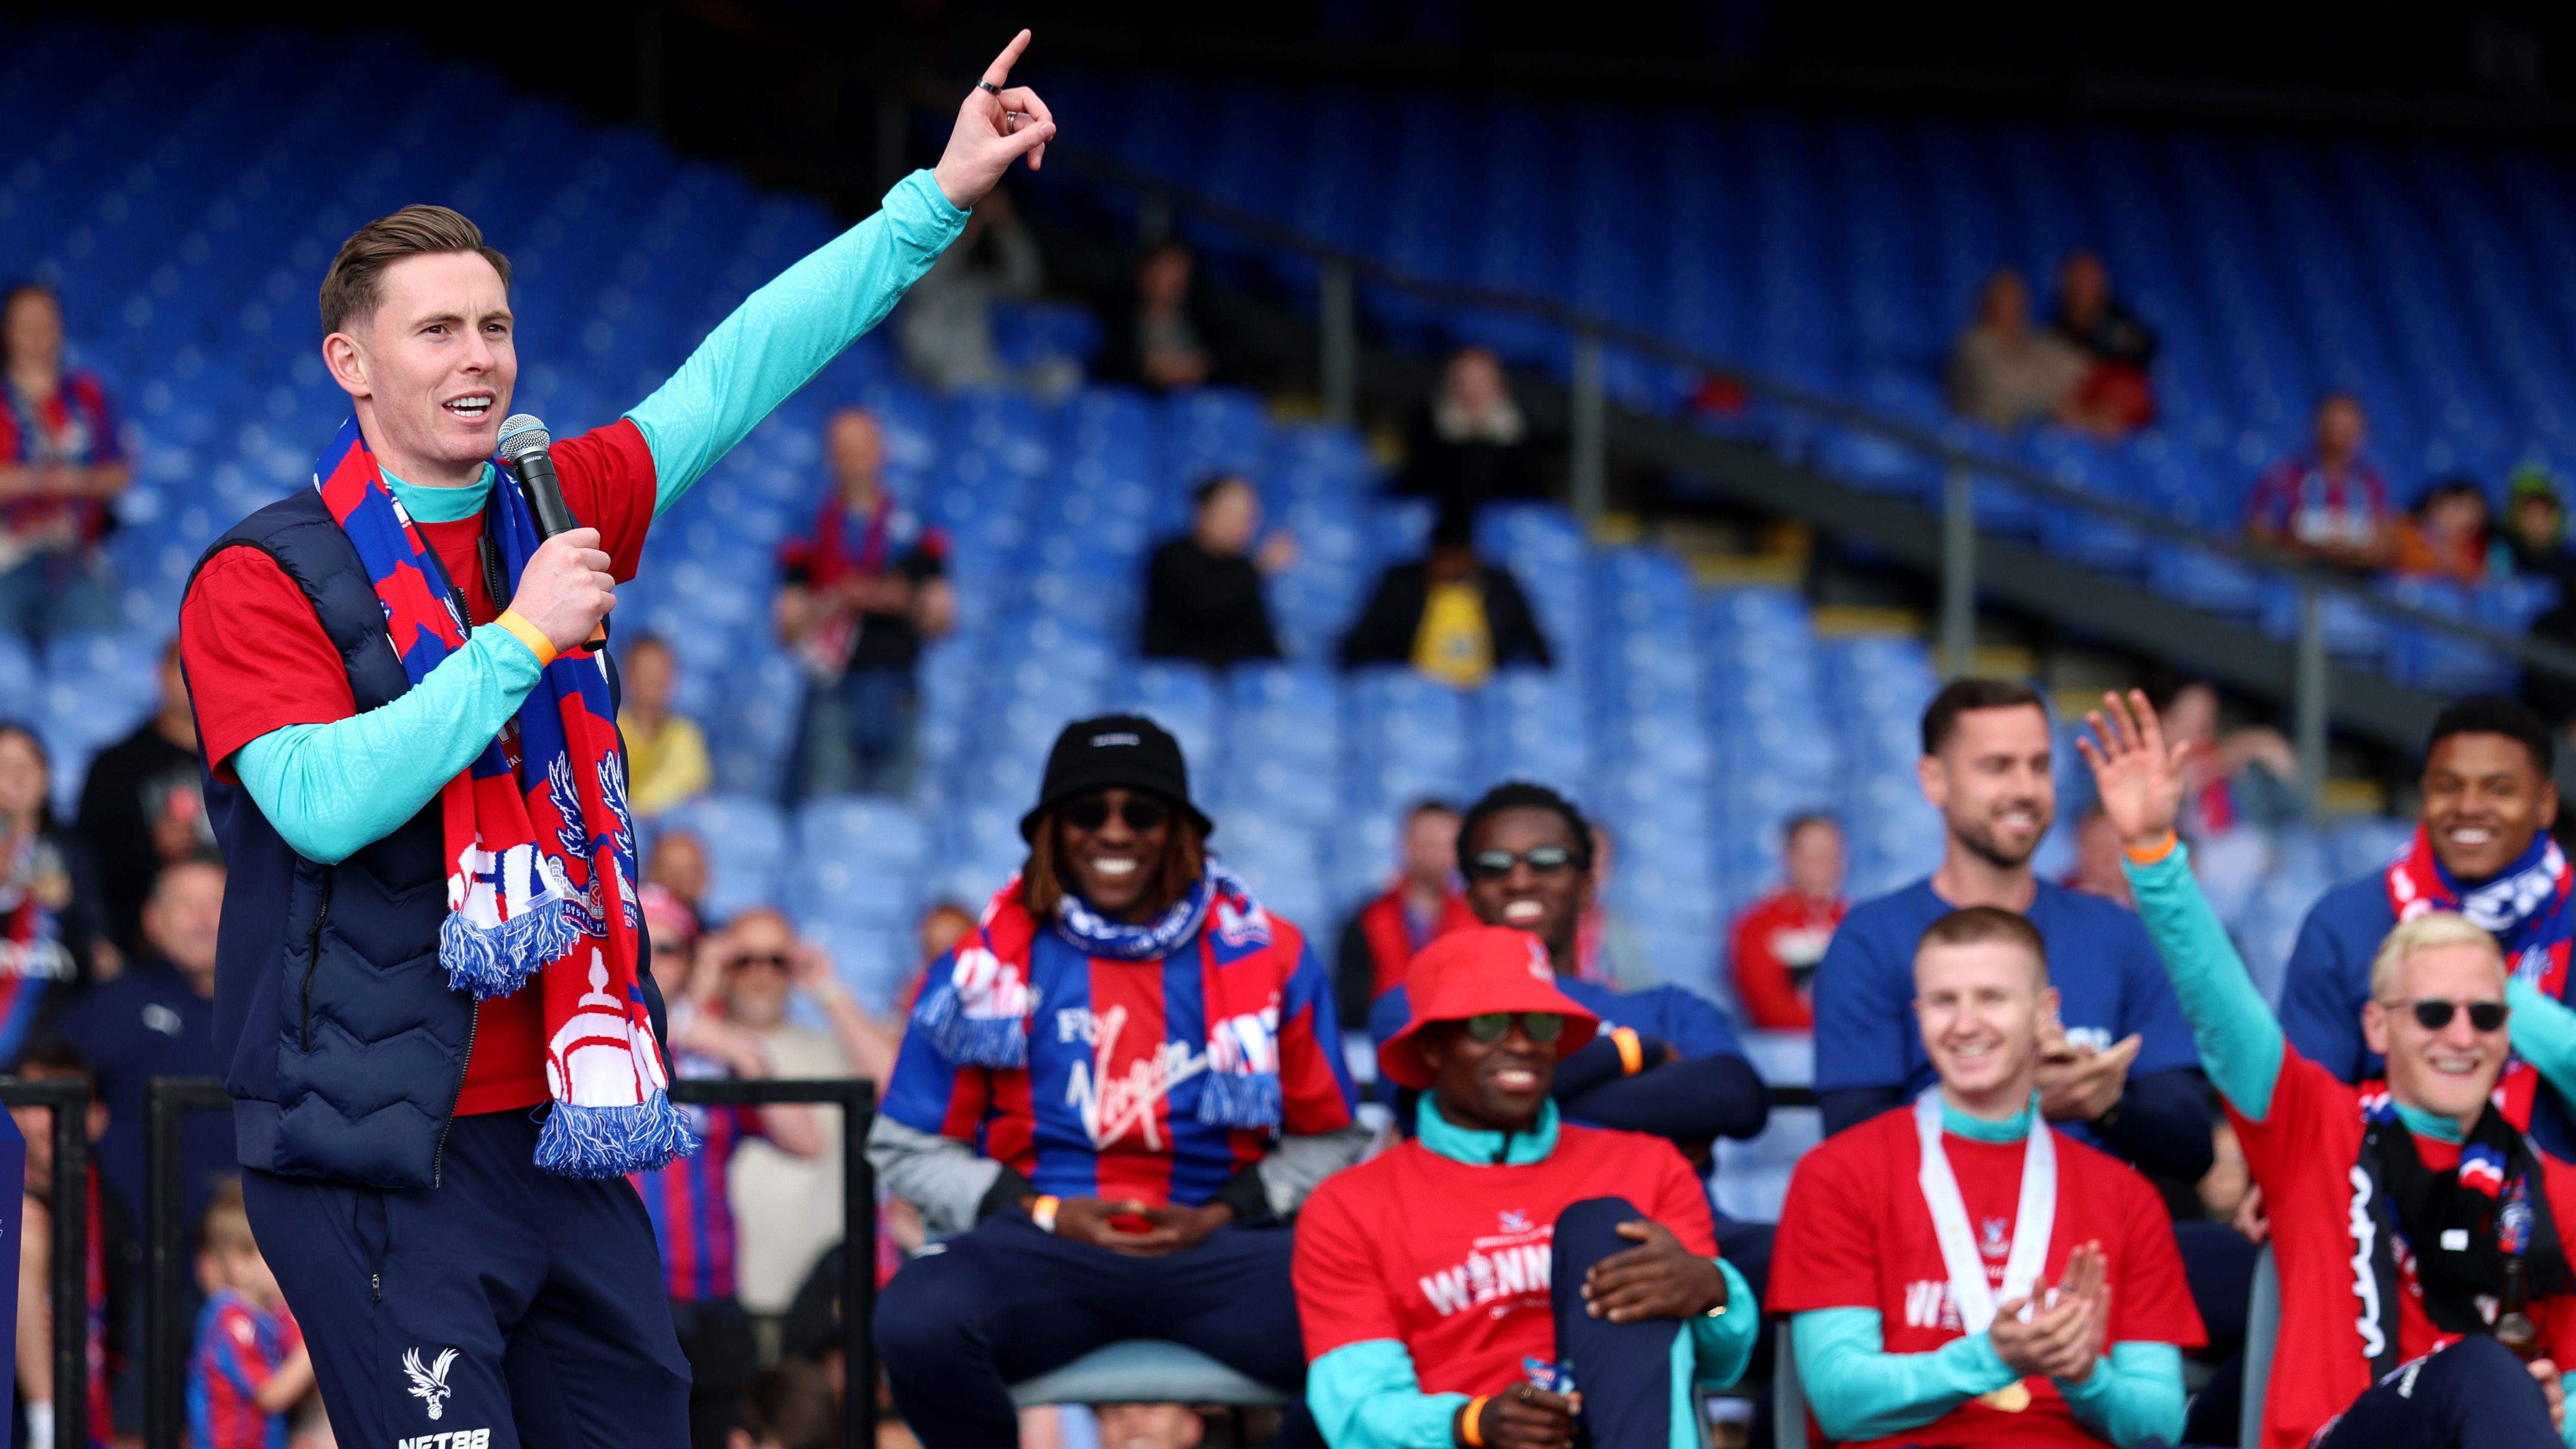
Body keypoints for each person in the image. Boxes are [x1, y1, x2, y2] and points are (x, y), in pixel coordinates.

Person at [171, 40, 1052, 1449]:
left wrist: (934, 200)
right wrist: (516, 640)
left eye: (494, 328)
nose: (477, 358)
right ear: (350, 361)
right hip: (373, 1151)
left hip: (569, 1134)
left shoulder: (552, 499)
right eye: (436, 331)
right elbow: (322, 804)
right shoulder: (261, 577)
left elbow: (737, 370)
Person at [2083, 688, 2576, 1448]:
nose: (2461, 1035)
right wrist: (2156, 855)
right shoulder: (2316, 1127)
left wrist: (2553, 1405)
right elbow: (2225, 1011)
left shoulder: (2550, 1191)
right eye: (2433, 1012)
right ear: (2376, 1024)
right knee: (2478, 1367)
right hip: (2340, 1436)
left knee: (2494, 1378)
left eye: (2485, 1015)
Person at [869, 714, 1365, 1447]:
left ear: (1181, 830)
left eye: (1142, 812)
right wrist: (1042, 1211)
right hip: (1043, 1244)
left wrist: (1224, 1212)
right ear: (1051, 831)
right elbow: (906, 1146)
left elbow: (1332, 1138)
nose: (1114, 832)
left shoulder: (1275, 957)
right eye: (1086, 811)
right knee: (914, 1321)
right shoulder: (984, 965)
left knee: (1382, 1326)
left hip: (1221, 1246)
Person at [1297, 927, 1758, 1449]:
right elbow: (1358, 1410)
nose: (1521, 1044)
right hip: (1467, 1441)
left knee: (1604, 1225)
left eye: (1540, 1024)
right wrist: (1473, 1423)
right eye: (1489, 1023)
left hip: (1626, 1432)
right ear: (1432, 1047)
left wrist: (1715, 1294)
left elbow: (1719, 1364)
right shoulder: (1349, 1205)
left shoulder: (1649, 1163)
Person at [1771, 908, 2204, 1446]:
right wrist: (1993, 1356)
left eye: (1993, 997)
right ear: (1918, 1012)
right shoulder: (1837, 1172)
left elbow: (2161, 1424)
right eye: (1944, 1000)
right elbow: (1839, 1401)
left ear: (2045, 1012)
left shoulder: (2126, 1194)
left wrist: (2086, 1375)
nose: (1966, 1023)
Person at [1812, 679, 2211, 1186]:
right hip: (1931, 1253)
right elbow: (1849, 1147)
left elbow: (2192, 1147)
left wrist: (2108, 1106)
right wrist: (2015, 1099)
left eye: (2039, 766)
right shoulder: (1871, 940)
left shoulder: (2119, 934)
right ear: (1934, 780)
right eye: (1997, 767)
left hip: (2095, 1250)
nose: (2024, 789)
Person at [1369, 783, 1771, 1156]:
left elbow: (1738, 1101)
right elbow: (1431, 1103)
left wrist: (1510, 1100)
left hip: (1676, 1225)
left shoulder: (1670, 1007)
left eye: (1547, 861)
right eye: (1493, 866)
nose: (1520, 880)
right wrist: (1633, 1053)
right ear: (1470, 893)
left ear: (1585, 885)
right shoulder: (1416, 1002)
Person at [2275, 695, 2576, 1157]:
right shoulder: (2345, 923)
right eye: (2448, 786)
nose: (2470, 807)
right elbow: (2309, 1110)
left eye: (2500, 790)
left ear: (2545, 804)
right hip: (2380, 1210)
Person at [631, 891, 826, 1449]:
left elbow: (805, 1139)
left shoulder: (716, 1049)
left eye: (668, 948)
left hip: (713, 1300)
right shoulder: (587, 1038)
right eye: (639, 942)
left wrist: (742, 1054)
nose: (651, 958)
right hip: (622, 1296)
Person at [712, 907, 896, 1317]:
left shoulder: (824, 1047)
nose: (761, 974)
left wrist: (827, 988)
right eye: (744, 960)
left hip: (815, 1301)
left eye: (777, 961)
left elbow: (897, 1087)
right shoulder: (698, 1048)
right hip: (717, 1298)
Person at [775, 405, 955, 800]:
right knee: (825, 806)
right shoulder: (811, 526)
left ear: (881, 451)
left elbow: (943, 618)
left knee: (890, 816)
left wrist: (903, 601)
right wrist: (838, 599)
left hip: (897, 687)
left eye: (861, 448)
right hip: (833, 685)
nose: (853, 461)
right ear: (829, 457)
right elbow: (786, 625)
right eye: (842, 450)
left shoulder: (917, 526)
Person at [51, 858, 229, 1252]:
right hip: (138, 1258)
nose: (203, 919)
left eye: (217, 902)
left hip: (262, 1260)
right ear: (153, 920)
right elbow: (40, 1093)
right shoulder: (111, 1008)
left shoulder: (285, 1012)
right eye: (185, 904)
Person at [0, 282, 129, 640]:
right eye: (26, 323)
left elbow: (120, 472)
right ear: (6, 329)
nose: (37, 334)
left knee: (104, 643)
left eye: (47, 322)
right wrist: (36, 481)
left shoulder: (88, 393)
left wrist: (80, 483)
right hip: (6, 555)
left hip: (75, 556)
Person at [12, 1040, 122, 1449]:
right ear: (12, 1110)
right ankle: (49, 1432)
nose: (51, 1122)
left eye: (68, 1105)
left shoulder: (111, 1213)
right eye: (40, 1103)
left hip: (83, 1398)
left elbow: (121, 1335)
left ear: (97, 1118)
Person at [75, 638, 213, 954]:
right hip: (141, 948)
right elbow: (88, 864)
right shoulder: (115, 765)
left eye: (209, 667)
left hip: (240, 937)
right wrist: (150, 845)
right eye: (184, 667)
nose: (197, 678)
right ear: (160, 675)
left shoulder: (249, 761)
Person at [1339, 511, 1551, 688]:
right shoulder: (1400, 583)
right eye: (1441, 559)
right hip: (1417, 690)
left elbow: (1535, 647)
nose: (1446, 569)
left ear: (1472, 557)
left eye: (1455, 561)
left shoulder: (1502, 586)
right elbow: (1360, 647)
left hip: (1485, 692)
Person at [187, 1181, 315, 1449]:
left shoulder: (276, 1313)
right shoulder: (228, 1317)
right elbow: (270, 1394)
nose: (291, 1263)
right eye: (277, 1254)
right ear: (240, 1264)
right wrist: (320, 1340)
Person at [1, 721, 106, 1039]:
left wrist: (67, 908)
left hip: (53, 1014)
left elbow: (94, 940)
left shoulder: (74, 851)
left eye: (29, 764)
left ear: (47, 776)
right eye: (4, 765)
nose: (18, 775)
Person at [1333, 799, 1474, 1033]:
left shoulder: (1476, 921)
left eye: (1442, 845)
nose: (1431, 853)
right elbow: (1353, 1004)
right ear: (1405, 844)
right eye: (1424, 843)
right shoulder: (1366, 921)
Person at [897, 185, 1054, 392]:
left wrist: (1005, 225)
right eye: (963, 217)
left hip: (984, 373)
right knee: (963, 379)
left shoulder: (976, 281)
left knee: (1060, 376)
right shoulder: (917, 267)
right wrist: (958, 232)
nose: (970, 226)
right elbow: (924, 284)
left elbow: (1026, 284)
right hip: (935, 376)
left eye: (973, 218)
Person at [1139, 473, 1292, 669]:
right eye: (1234, 514)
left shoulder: (1241, 566)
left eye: (1250, 516)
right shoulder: (1171, 556)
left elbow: (1261, 639)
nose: (1245, 525)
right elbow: (1204, 605)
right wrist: (1259, 568)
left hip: (1240, 681)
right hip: (1182, 676)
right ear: (1203, 512)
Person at [2246, 392, 2396, 571]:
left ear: (2361, 433)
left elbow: (2386, 544)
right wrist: (2295, 545)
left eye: (2348, 428)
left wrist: (2353, 553)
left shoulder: (2371, 483)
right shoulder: (2286, 475)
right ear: (2317, 426)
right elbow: (2257, 532)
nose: (2339, 436)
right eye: (2333, 426)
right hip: (2292, 575)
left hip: (2353, 581)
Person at [1729, 812, 1847, 1032]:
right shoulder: (1757, 925)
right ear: (1790, 858)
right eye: (1813, 854)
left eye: (1831, 854)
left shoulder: (1859, 923)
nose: (1823, 863)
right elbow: (1769, 1011)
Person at [1394, 348, 1537, 528]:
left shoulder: (1521, 429)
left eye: (1480, 381)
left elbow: (1529, 493)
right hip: (1441, 533)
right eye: (1464, 381)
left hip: (1504, 535)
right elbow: (1417, 486)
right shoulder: (1427, 425)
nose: (1472, 390)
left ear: (1499, 384)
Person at [1946, 269, 2090, 433]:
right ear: (1987, 304)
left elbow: (2080, 372)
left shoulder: (2037, 341)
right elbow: (2001, 392)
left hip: (2040, 433)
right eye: (2005, 301)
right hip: (1987, 441)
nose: (2015, 307)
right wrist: (2051, 404)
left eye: (2019, 300)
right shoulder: (1972, 346)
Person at [2049, 249, 2159, 436]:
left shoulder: (2118, 321)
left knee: (2128, 388)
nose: (2083, 286)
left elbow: (2146, 349)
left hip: (2115, 396)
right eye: (2077, 279)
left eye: (2090, 279)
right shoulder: (2054, 327)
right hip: (2075, 395)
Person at [1098, 241, 1224, 393]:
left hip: (1197, 400)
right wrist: (1147, 370)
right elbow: (1107, 364)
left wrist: (1203, 364)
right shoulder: (1117, 315)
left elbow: (1232, 354)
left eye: (1181, 274)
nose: (1175, 282)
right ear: (1144, 275)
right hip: (1139, 398)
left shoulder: (1204, 313)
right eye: (1166, 272)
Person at [616, 635, 710, 818]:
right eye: (647, 672)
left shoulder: (687, 736)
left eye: (663, 672)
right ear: (628, 677)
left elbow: (697, 795)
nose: (656, 681)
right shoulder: (611, 731)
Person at [1573, 822, 1655, 989]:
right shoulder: (1544, 924)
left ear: (1611, 874)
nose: (1592, 874)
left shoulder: (1616, 926)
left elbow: (1641, 986)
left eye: (1601, 865)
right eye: (1585, 863)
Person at [2396, 476, 2500, 585]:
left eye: (2475, 515)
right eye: (2458, 508)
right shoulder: (2407, 528)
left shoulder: (2476, 548)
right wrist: (2438, 560)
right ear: (2436, 502)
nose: (2466, 519)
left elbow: (2481, 576)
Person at [2505, 464, 2576, 588]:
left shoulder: (2569, 564)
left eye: (2544, 514)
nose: (2537, 522)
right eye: (2531, 514)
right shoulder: (2501, 550)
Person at [645, 828, 711, 920]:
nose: (679, 879)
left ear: (705, 877)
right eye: (669, 869)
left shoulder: (715, 926)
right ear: (651, 872)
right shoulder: (644, 919)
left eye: (689, 871)